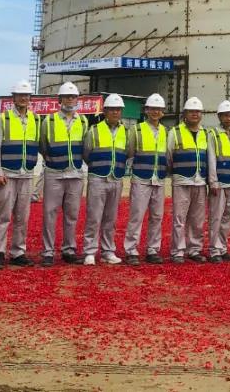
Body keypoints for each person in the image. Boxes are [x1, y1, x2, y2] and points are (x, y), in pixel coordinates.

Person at [0, 79, 42, 269]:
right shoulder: (3, 119)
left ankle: (18, 251)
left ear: (30, 98)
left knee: (22, 216)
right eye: (20, 95)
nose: (24, 98)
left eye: (27, 95)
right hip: (8, 174)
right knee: (3, 215)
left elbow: (40, 144)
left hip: (27, 174)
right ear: (13, 97)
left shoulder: (36, 119)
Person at [38, 82, 86, 266]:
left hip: (75, 174)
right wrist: (54, 160)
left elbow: (85, 147)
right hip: (54, 173)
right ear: (59, 100)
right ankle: (48, 252)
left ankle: (69, 250)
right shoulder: (49, 121)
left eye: (73, 97)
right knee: (50, 213)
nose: (70, 100)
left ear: (77, 100)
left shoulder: (82, 121)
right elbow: (43, 145)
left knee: (72, 214)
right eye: (66, 97)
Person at [81, 94, 128, 265]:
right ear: (105, 111)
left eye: (118, 110)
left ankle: (108, 251)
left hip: (116, 178)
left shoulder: (126, 131)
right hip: (98, 178)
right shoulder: (94, 130)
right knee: (94, 216)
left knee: (111, 218)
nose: (116, 112)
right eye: (112, 109)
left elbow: (127, 153)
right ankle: (89, 252)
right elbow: (86, 153)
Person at [124, 93, 169, 266]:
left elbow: (168, 155)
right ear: (147, 110)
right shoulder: (137, 129)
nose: (156, 112)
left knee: (157, 216)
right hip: (141, 178)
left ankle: (152, 250)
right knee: (137, 215)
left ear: (163, 112)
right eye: (152, 109)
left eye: (159, 109)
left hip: (158, 179)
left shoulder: (166, 131)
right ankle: (131, 250)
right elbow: (130, 152)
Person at [168, 97, 209, 264]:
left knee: (197, 219)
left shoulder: (205, 133)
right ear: (184, 114)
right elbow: (168, 156)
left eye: (197, 112)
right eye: (191, 111)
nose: (195, 114)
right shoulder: (175, 132)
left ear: (201, 115)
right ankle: (178, 251)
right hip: (182, 181)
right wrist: (176, 173)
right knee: (179, 217)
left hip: (200, 181)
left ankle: (194, 249)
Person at [206, 100, 230, 263]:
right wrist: (213, 181)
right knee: (216, 216)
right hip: (219, 183)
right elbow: (211, 158)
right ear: (219, 116)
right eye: (226, 115)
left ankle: (223, 247)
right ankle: (214, 250)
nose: (228, 118)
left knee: (228, 216)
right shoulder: (213, 134)